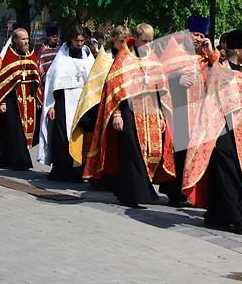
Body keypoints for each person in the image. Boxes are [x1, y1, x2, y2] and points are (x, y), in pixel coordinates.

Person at [182, 29, 242, 233]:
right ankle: (238, 217)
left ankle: (215, 215)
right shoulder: (219, 71)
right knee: (228, 172)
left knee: (237, 173)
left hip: (241, 133)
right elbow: (210, 103)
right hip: (221, 131)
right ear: (237, 51)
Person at [83, 23, 175, 208]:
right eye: (144, 41)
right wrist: (116, 114)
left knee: (148, 153)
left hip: (150, 113)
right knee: (132, 153)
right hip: (129, 112)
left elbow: (161, 90)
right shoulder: (125, 58)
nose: (148, 45)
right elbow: (113, 89)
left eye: (151, 41)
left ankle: (127, 190)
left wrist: (161, 115)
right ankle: (134, 194)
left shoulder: (153, 58)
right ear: (135, 37)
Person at [157, 15, 220, 205]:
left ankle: (191, 192)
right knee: (178, 153)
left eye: (202, 36)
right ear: (187, 33)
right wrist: (177, 80)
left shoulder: (203, 56)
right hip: (178, 111)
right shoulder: (172, 51)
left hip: (198, 112)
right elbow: (159, 78)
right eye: (196, 34)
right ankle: (175, 193)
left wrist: (210, 52)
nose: (199, 39)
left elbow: (219, 72)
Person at [69, 25, 131, 190]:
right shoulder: (105, 57)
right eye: (120, 41)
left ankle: (119, 178)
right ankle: (99, 177)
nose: (123, 45)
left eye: (126, 41)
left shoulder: (129, 57)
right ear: (114, 40)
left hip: (123, 106)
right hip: (103, 107)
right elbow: (95, 83)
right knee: (103, 144)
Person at [38, 25, 95, 181]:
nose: (80, 44)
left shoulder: (87, 56)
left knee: (79, 136)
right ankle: (62, 170)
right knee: (62, 136)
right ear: (70, 38)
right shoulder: (61, 58)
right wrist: (50, 105)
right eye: (77, 40)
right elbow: (52, 82)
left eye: (82, 41)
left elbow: (93, 78)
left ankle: (78, 170)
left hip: (81, 101)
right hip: (63, 101)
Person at [0, 28, 42, 170]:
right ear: (15, 40)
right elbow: (2, 83)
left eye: (27, 39)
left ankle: (14, 158)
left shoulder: (31, 54)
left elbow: (37, 79)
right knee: (13, 130)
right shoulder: (9, 56)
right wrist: (2, 102)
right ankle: (18, 160)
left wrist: (38, 99)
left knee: (25, 129)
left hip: (29, 98)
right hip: (12, 99)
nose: (26, 42)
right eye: (23, 39)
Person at [37, 23, 60, 93]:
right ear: (48, 37)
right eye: (53, 37)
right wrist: (43, 76)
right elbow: (40, 64)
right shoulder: (43, 50)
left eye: (56, 36)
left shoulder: (60, 50)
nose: (55, 38)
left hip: (58, 79)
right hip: (46, 80)